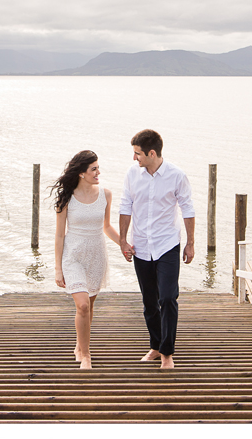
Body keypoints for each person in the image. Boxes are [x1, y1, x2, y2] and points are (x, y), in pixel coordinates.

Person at [118, 129, 195, 370]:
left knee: (168, 298)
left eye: (137, 154)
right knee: (149, 301)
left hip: (167, 245)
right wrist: (123, 240)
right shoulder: (133, 174)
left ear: (152, 153)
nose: (134, 158)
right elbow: (125, 206)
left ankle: (167, 353)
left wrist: (190, 243)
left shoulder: (177, 176)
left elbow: (188, 209)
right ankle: (155, 345)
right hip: (140, 246)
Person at [52, 150, 120, 369]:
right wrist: (57, 268)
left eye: (98, 167)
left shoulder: (106, 195)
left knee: (88, 307)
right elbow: (60, 235)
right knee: (81, 305)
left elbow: (107, 227)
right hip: (72, 257)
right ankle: (87, 355)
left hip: (96, 256)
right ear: (81, 173)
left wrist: (125, 245)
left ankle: (80, 346)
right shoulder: (66, 198)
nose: (98, 172)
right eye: (94, 169)